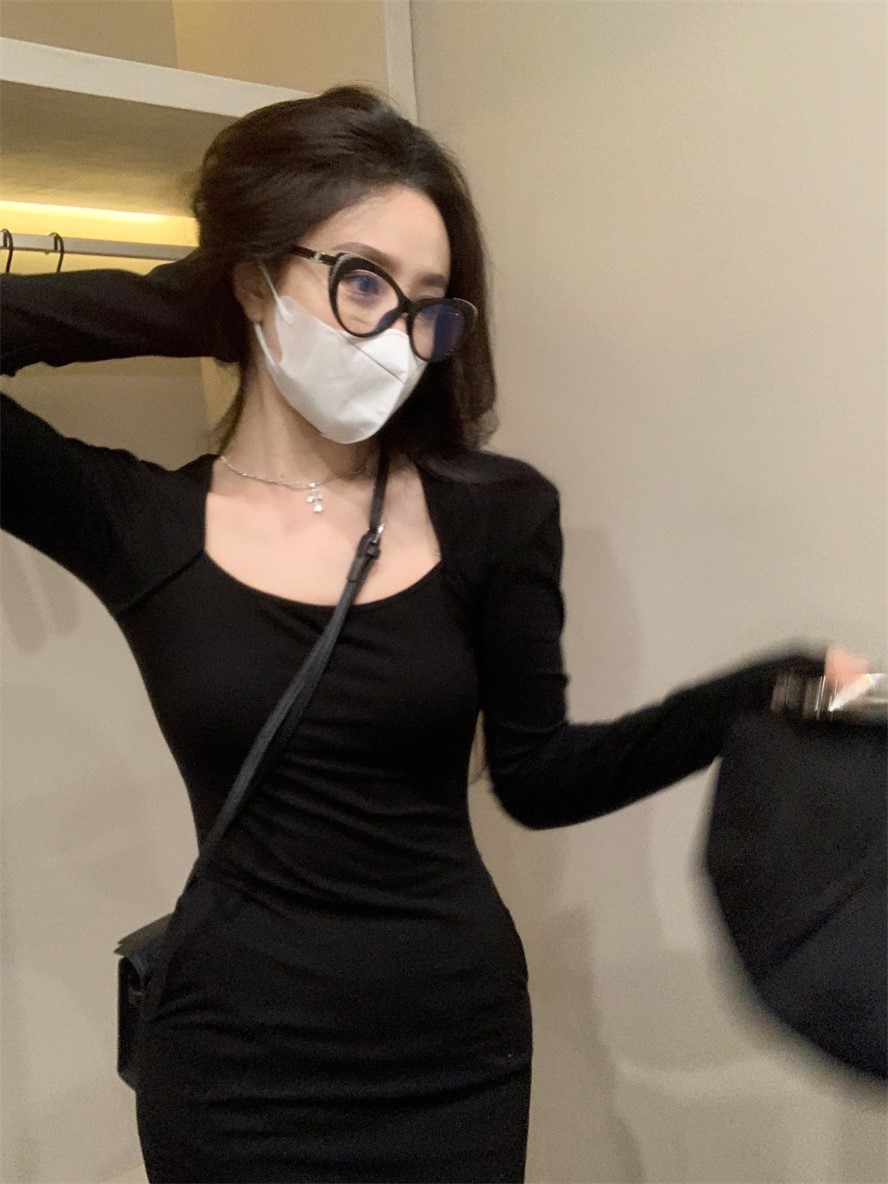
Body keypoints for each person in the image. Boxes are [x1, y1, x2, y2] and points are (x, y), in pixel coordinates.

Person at [0, 86, 869, 1184]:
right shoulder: (143, 525)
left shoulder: (494, 513)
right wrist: (184, 305)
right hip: (232, 1061)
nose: (399, 338)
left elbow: (541, 776)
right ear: (259, 278)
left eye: (428, 304)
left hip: (450, 1051)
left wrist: (768, 686)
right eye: (362, 280)